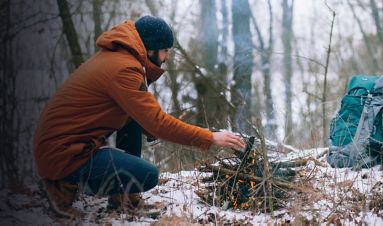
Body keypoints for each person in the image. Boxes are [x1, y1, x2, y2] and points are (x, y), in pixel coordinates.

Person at [34, 15, 245, 218]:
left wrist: (149, 125)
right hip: (62, 155)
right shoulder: (123, 69)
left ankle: (123, 201)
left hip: (65, 147)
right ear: (150, 48)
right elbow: (158, 123)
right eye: (165, 51)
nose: (167, 57)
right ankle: (61, 187)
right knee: (147, 175)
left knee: (134, 118)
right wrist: (210, 137)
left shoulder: (118, 59)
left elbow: (143, 116)